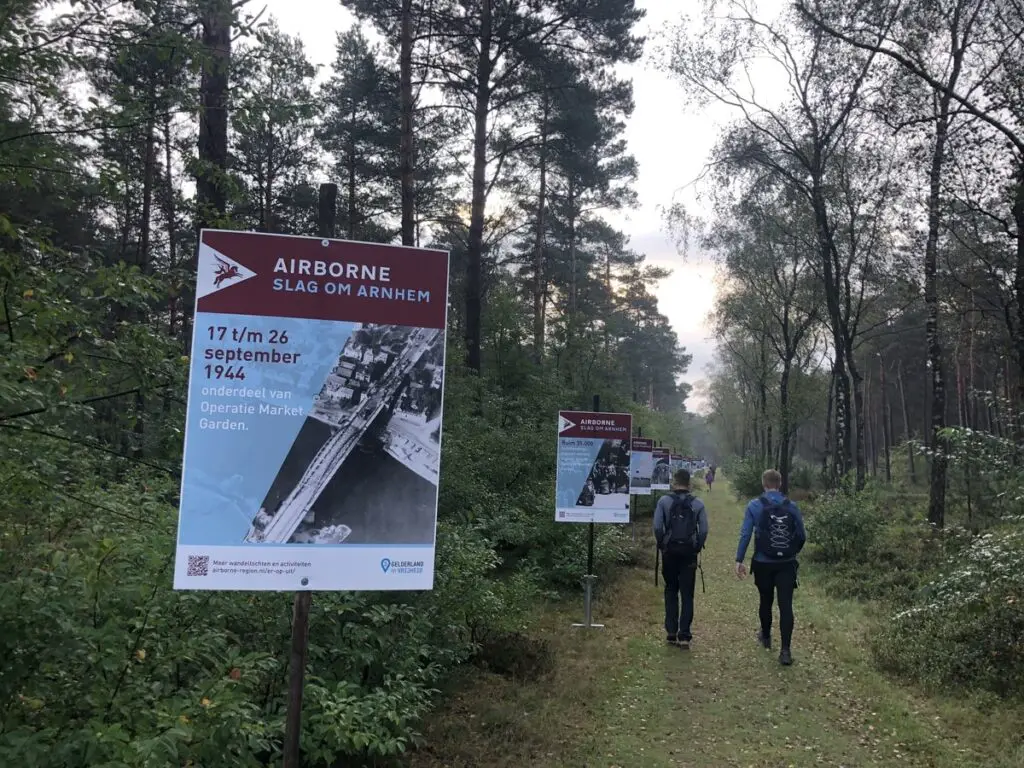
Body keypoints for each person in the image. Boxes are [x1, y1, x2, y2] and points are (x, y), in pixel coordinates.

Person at [735, 469, 806, 666]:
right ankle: (785, 651)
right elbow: (802, 535)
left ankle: (765, 637)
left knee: (765, 600)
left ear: (763, 484)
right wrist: (792, 552)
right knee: (786, 605)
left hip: (762, 562)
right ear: (780, 483)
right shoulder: (791, 506)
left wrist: (739, 559)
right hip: (787, 564)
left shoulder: (754, 506)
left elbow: (745, 534)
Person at [653, 469, 709, 649]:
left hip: (669, 551)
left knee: (670, 589)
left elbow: (657, 527)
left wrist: (662, 544)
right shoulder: (698, 504)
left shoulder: (663, 501)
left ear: (674, 482)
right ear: (689, 483)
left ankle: (671, 631)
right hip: (689, 553)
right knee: (687, 594)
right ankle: (684, 635)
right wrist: (697, 546)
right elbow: (704, 530)